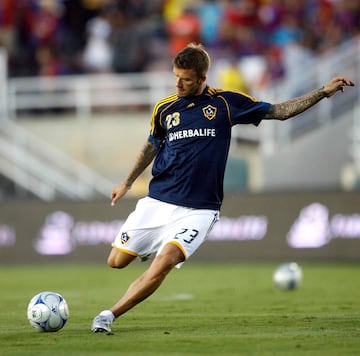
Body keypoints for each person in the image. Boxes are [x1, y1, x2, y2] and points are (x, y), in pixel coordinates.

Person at [91, 43, 355, 333]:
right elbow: (152, 144)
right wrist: (127, 182)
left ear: (203, 79)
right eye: (175, 76)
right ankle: (148, 245)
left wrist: (321, 92)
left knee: (164, 261)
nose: (178, 83)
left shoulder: (225, 104)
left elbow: (279, 111)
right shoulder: (164, 109)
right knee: (116, 261)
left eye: (186, 79)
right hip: (158, 202)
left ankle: (109, 315)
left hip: (200, 209)